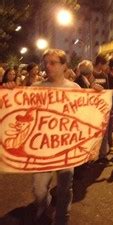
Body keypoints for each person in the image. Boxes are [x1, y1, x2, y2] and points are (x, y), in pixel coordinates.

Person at [3, 49, 80, 225]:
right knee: (38, 190)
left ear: (64, 66)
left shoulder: (75, 89)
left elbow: (85, 114)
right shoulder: (36, 88)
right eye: (46, 62)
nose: (48, 66)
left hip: (65, 148)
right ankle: (44, 207)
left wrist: (98, 93)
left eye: (53, 62)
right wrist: (11, 93)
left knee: (64, 188)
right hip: (41, 149)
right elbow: (19, 113)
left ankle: (62, 219)